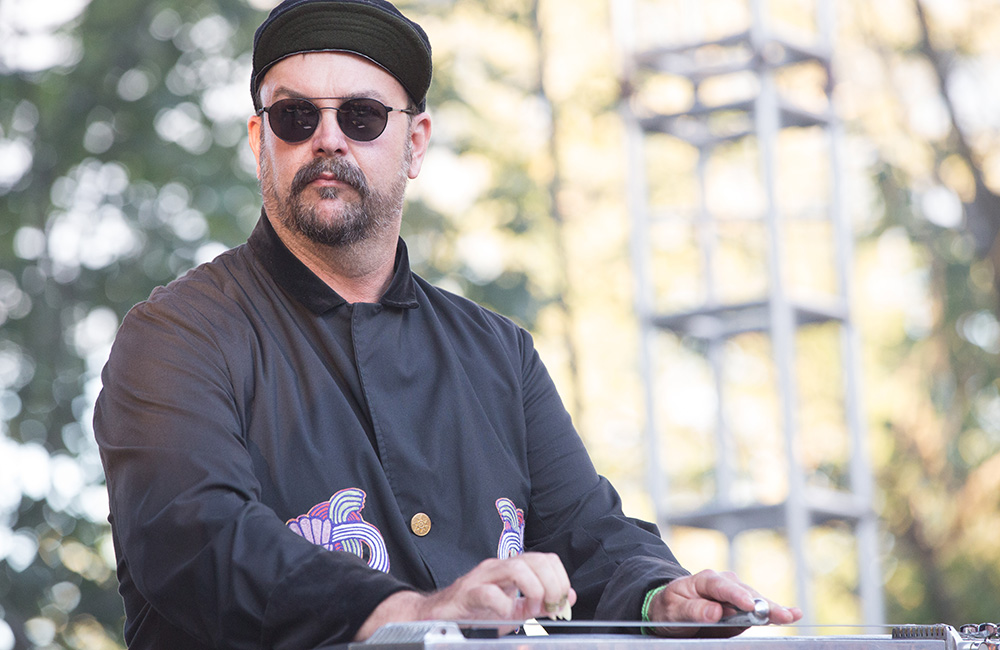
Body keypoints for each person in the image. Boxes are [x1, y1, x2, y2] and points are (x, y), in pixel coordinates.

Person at [94, 0, 803, 647]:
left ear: (416, 142)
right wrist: (412, 612)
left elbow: (589, 536)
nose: (328, 139)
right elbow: (193, 540)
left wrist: (658, 597)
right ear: (260, 140)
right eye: (295, 117)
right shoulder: (177, 335)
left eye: (363, 116)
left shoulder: (499, 354)